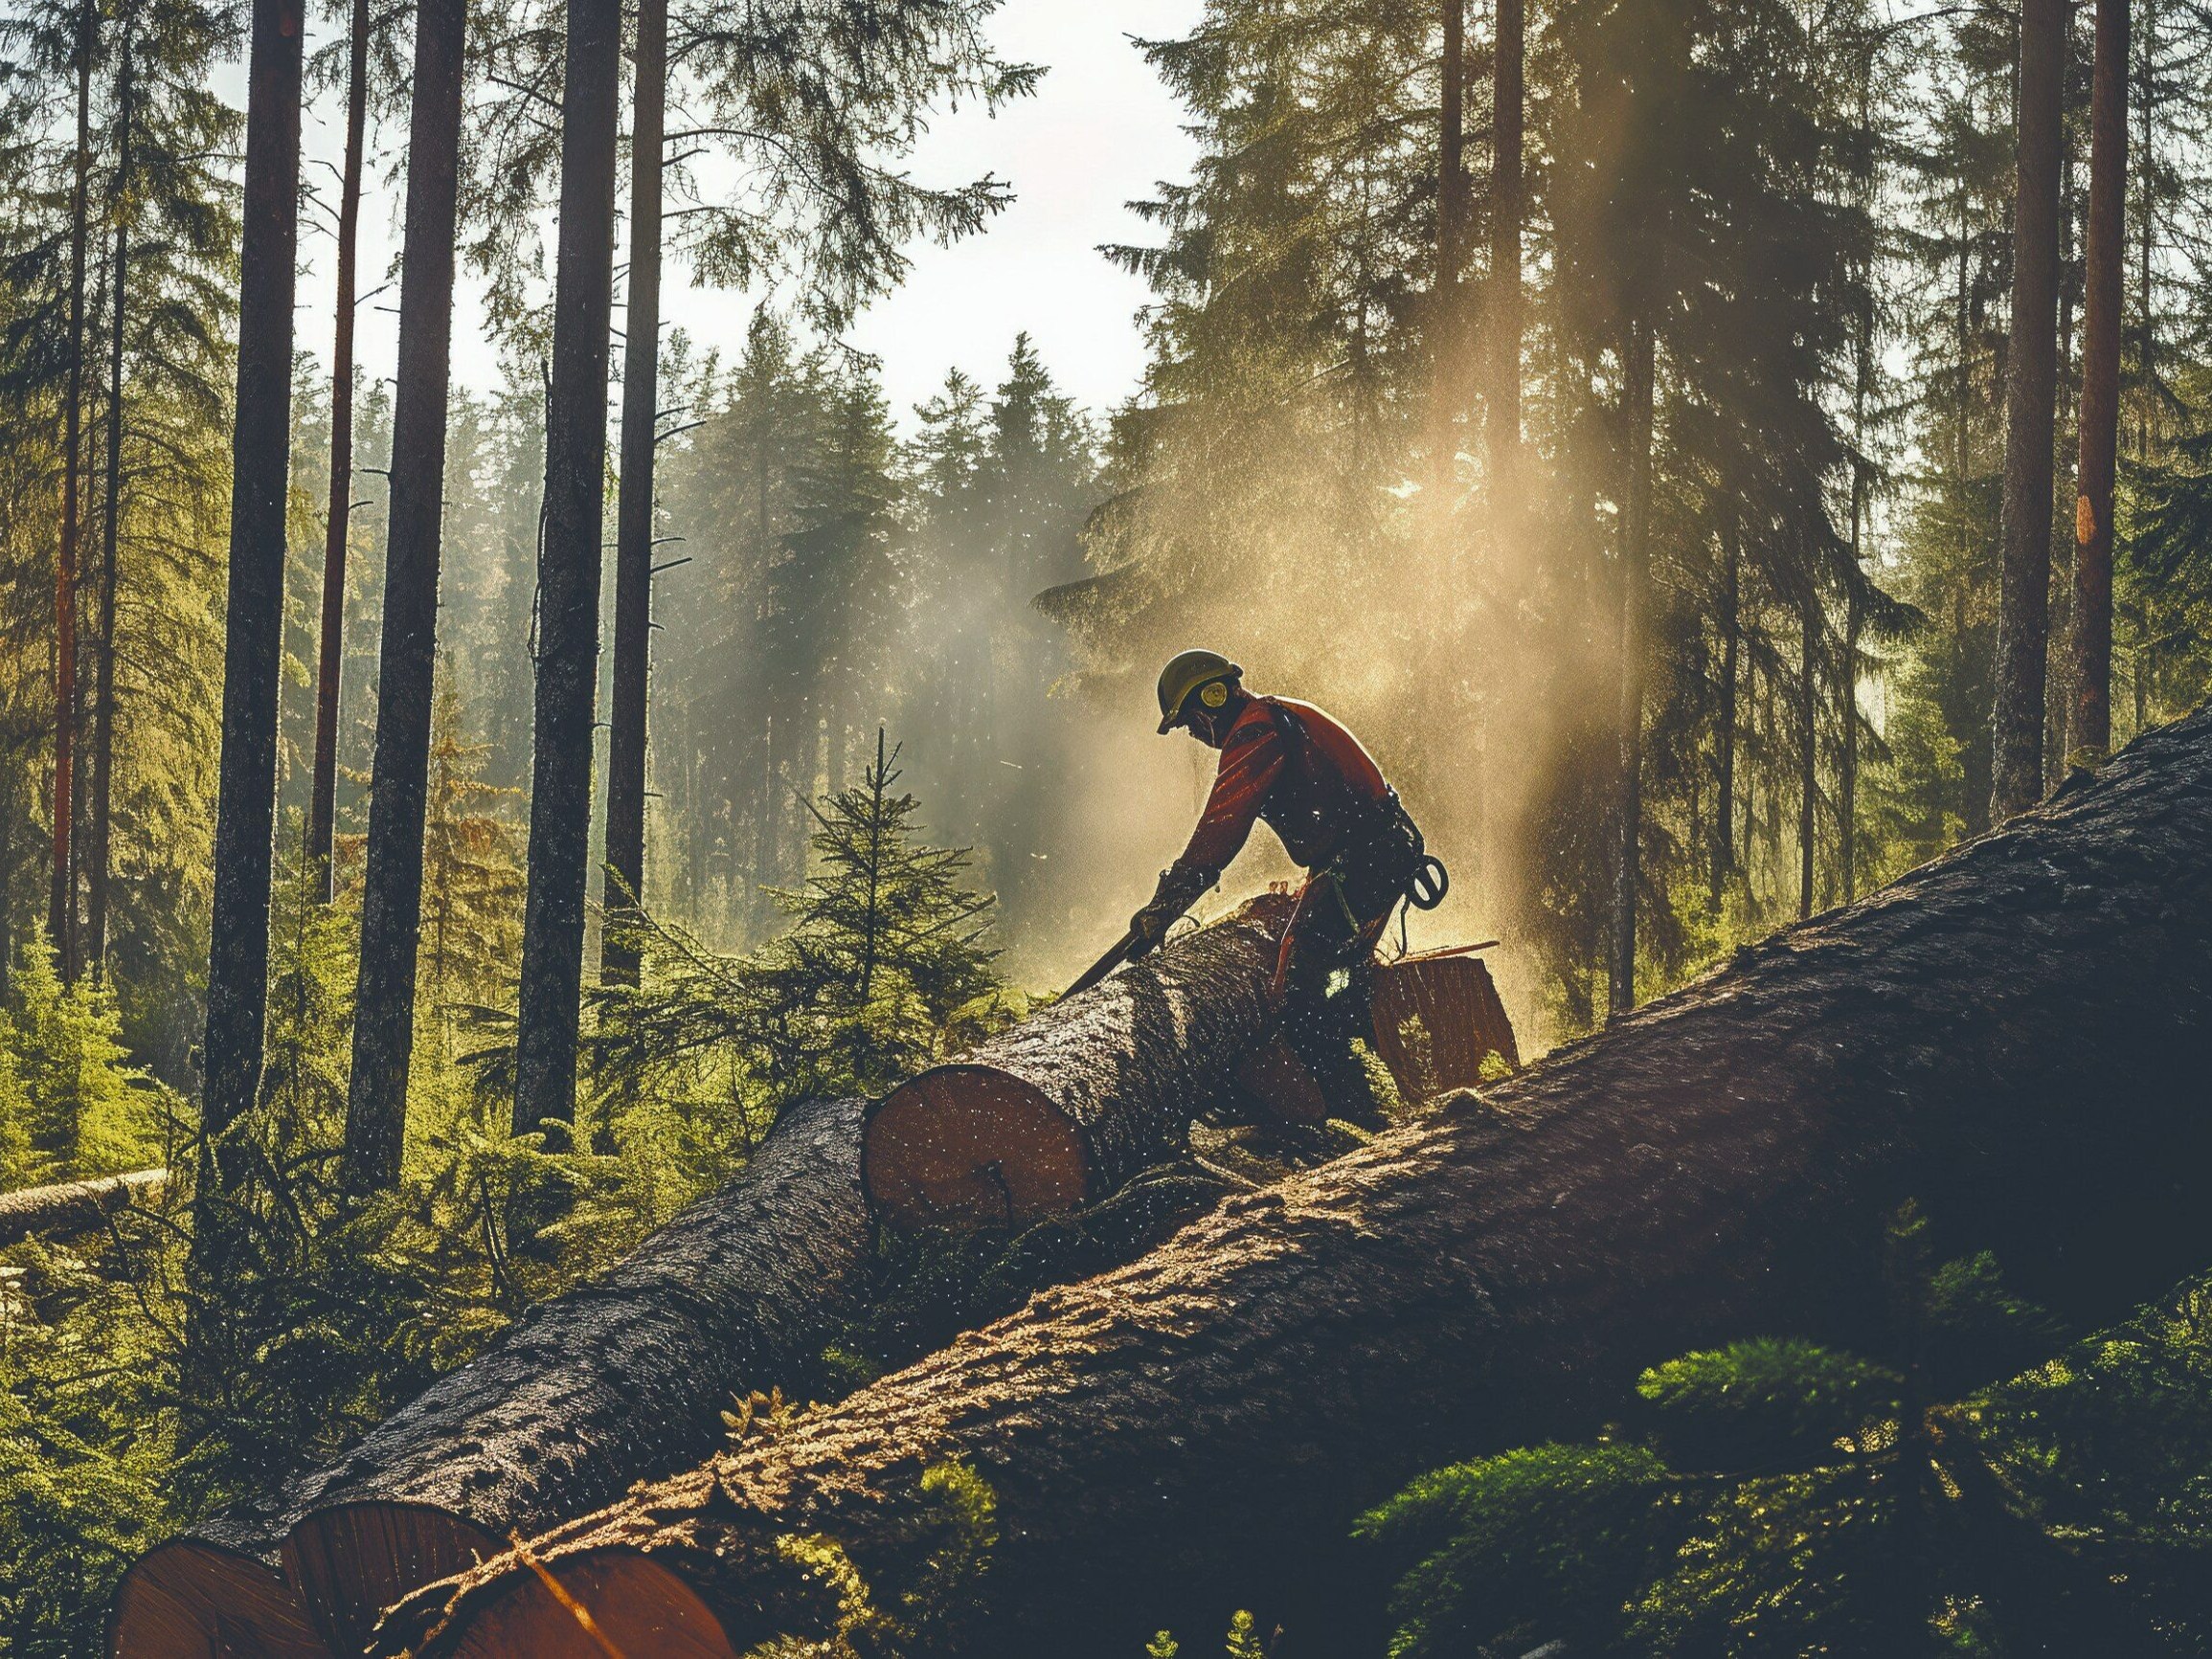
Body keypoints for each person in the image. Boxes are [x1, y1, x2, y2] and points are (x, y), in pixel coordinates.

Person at [1132, 649, 1437, 1120]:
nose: (1193, 734)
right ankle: (1363, 1086)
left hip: (1367, 857)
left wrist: (1167, 904)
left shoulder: (1256, 732)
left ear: (1212, 699)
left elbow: (1221, 830)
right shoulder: (1275, 717)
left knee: (1301, 983)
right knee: (1326, 973)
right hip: (1365, 854)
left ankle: (1347, 1115)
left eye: (1191, 722)